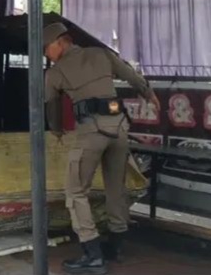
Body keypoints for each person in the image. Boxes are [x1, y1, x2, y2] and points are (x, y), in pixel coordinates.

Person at [43, 23, 160, 275]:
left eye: (46, 48)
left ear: (61, 42)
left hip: (91, 133)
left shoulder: (55, 73)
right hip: (119, 129)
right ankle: (116, 246)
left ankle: (92, 254)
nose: (46, 54)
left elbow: (52, 106)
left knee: (75, 191)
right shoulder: (101, 54)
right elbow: (130, 74)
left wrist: (56, 130)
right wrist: (149, 93)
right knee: (115, 187)